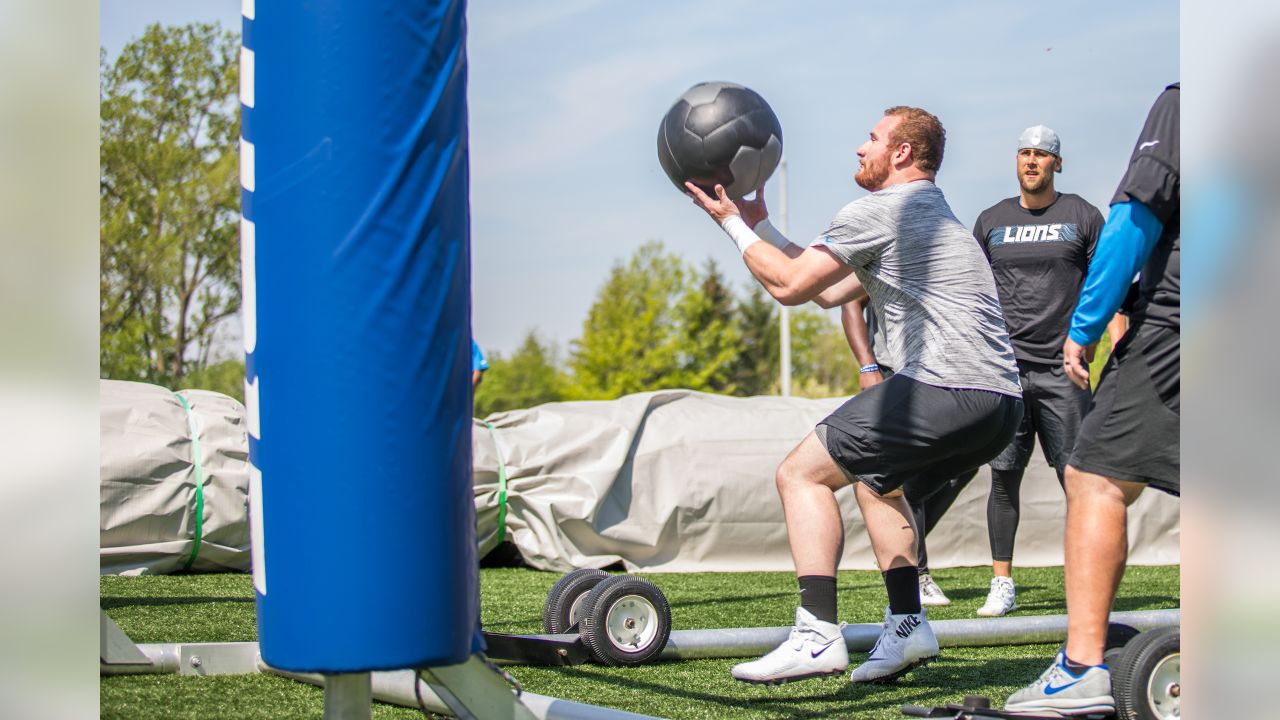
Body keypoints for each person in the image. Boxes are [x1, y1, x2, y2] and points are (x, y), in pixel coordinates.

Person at [683, 106, 1023, 685]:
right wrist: (761, 226)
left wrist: (730, 223)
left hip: (946, 386)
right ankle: (909, 623)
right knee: (875, 477)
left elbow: (789, 287)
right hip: (1000, 405)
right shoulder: (928, 212)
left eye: (872, 138)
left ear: (902, 154)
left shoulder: (882, 208)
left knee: (801, 475)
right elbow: (828, 290)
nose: (859, 149)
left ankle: (816, 634)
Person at [1005, 84, 1179, 716]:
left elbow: (1135, 222)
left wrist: (1083, 329)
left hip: (1184, 324)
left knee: (1094, 475)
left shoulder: (1191, 100)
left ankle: (1081, 668)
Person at [970, 126, 1108, 617]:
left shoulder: (1084, 216)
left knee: (1078, 478)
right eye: (1025, 153)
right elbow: (973, 294)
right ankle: (1001, 583)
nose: (1032, 161)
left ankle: (1083, 577)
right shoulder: (990, 221)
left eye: (1042, 155)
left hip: (1062, 368)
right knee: (1003, 477)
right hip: (1006, 370)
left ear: (1057, 164)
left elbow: (1107, 286)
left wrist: (1101, 344)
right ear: (1016, 161)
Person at [841, 297, 977, 607]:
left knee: (966, 462)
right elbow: (850, 303)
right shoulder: (883, 249)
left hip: (942, 373)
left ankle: (895, 544)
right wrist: (867, 365)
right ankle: (918, 574)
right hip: (893, 374)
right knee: (907, 477)